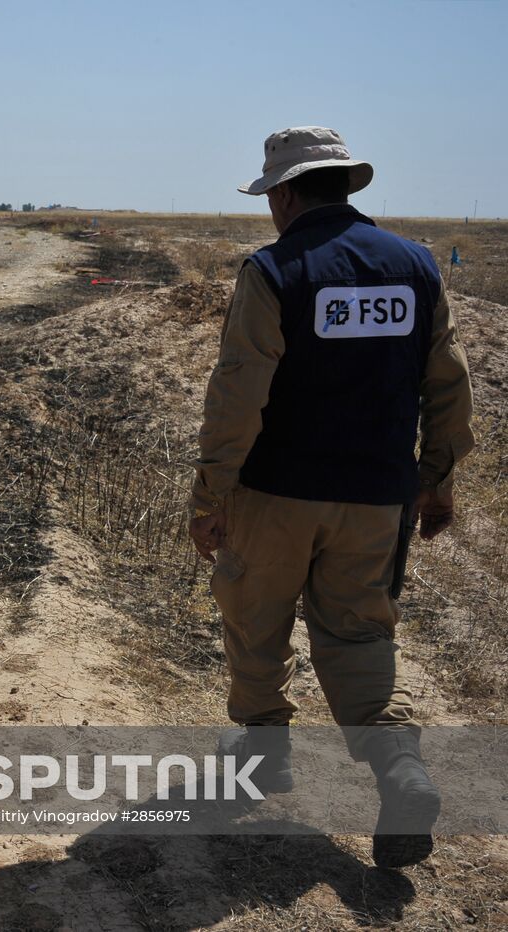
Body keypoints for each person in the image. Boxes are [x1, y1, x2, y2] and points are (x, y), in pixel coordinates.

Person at [189, 126, 474, 868]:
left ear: (283, 194)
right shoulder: (417, 268)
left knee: (256, 622)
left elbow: (238, 395)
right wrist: (437, 478)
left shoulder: (273, 270)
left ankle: (262, 756)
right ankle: (401, 771)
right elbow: (449, 383)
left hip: (275, 494)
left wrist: (211, 493)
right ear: (346, 185)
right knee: (358, 638)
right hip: (376, 500)